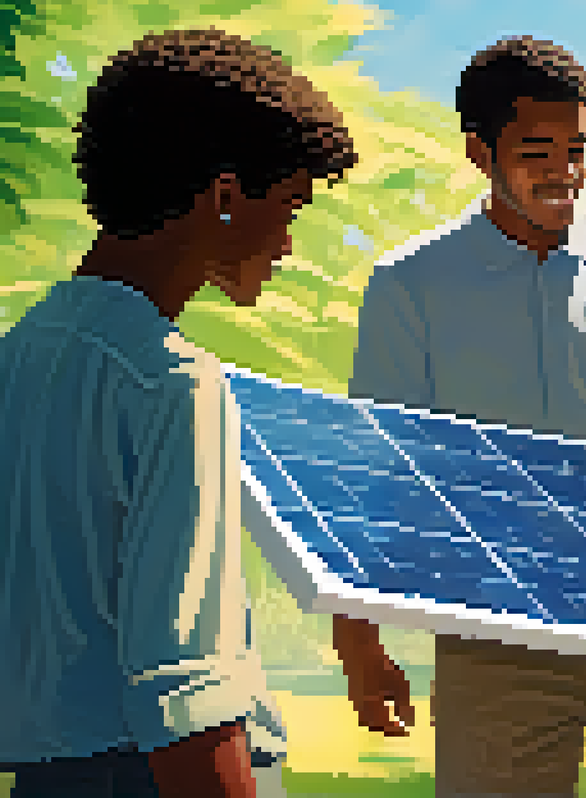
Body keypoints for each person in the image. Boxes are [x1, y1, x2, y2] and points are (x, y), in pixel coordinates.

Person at [338, 36, 586, 798]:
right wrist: (357, 638)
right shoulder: (410, 284)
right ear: (480, 151)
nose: (564, 170)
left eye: (577, 147)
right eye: (537, 149)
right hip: (493, 633)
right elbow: (379, 471)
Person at [0, 29, 357, 797]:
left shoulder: (20, 353)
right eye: (288, 206)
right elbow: (186, 685)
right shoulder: (173, 380)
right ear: (224, 198)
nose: (290, 242)